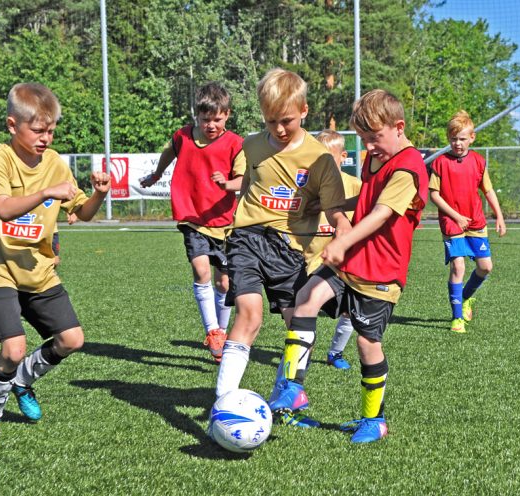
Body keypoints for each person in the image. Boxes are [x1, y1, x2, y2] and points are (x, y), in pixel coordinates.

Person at [268, 89, 428, 443]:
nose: (368, 148)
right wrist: (332, 204)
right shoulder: (378, 157)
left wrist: (341, 239)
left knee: (367, 344)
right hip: (352, 259)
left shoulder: (409, 167)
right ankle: (293, 386)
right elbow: (369, 198)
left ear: (398, 127)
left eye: (375, 138)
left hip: (380, 270)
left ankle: (374, 420)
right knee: (305, 300)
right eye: (364, 139)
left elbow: (382, 213)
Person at [0, 82, 110, 441]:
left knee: (72, 339)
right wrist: (46, 192)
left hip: (38, 268)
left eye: (51, 130)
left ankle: (22, 381)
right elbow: (2, 209)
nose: (46, 137)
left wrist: (98, 194)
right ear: (12, 125)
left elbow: (84, 212)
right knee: (13, 348)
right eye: (37, 130)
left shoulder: (55, 162)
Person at [212, 68, 351, 430]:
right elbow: (248, 190)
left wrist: (342, 232)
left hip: (291, 251)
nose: (279, 129)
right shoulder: (252, 145)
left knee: (298, 326)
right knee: (249, 314)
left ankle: (284, 403)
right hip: (247, 238)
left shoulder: (320, 158)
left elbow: (335, 209)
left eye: (286, 120)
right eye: (271, 121)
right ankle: (222, 404)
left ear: (304, 110)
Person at [140, 82, 245, 363]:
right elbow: (169, 152)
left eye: (217, 119)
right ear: (197, 116)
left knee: (224, 283)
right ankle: (212, 330)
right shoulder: (183, 136)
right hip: (193, 218)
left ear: (227, 115)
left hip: (224, 221)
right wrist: (157, 173)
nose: (211, 125)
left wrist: (228, 183)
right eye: (205, 119)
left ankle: (221, 332)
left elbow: (244, 179)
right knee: (201, 270)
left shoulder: (235, 143)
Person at [429, 110, 507, 333]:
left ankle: (465, 299)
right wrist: (456, 216)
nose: (458, 143)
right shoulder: (440, 163)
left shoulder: (478, 162)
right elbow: (434, 195)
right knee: (458, 267)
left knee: (485, 267)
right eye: (453, 139)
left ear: (472, 137)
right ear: (448, 139)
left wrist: (499, 217)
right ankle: (456, 319)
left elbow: (489, 191)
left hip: (475, 222)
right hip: (452, 224)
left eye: (462, 139)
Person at [306, 130, 362, 370]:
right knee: (304, 308)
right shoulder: (308, 186)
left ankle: (335, 352)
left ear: (343, 156)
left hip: (344, 261)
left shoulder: (355, 185)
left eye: (330, 157)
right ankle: (303, 349)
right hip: (310, 258)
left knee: (350, 309)